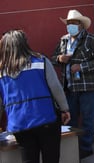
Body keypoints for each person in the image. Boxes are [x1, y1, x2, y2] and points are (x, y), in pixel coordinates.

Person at [0, 30, 71, 163]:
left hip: (19, 123)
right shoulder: (41, 61)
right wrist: (64, 109)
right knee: (51, 158)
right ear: (25, 44)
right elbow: (56, 87)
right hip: (46, 119)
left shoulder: (2, 71)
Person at [51, 9, 94, 159]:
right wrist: (59, 59)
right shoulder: (63, 40)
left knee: (88, 119)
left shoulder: (92, 40)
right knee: (72, 119)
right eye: (68, 23)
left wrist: (82, 67)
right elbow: (52, 58)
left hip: (87, 86)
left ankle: (86, 148)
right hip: (69, 87)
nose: (70, 26)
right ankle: (74, 149)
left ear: (81, 25)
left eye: (73, 23)